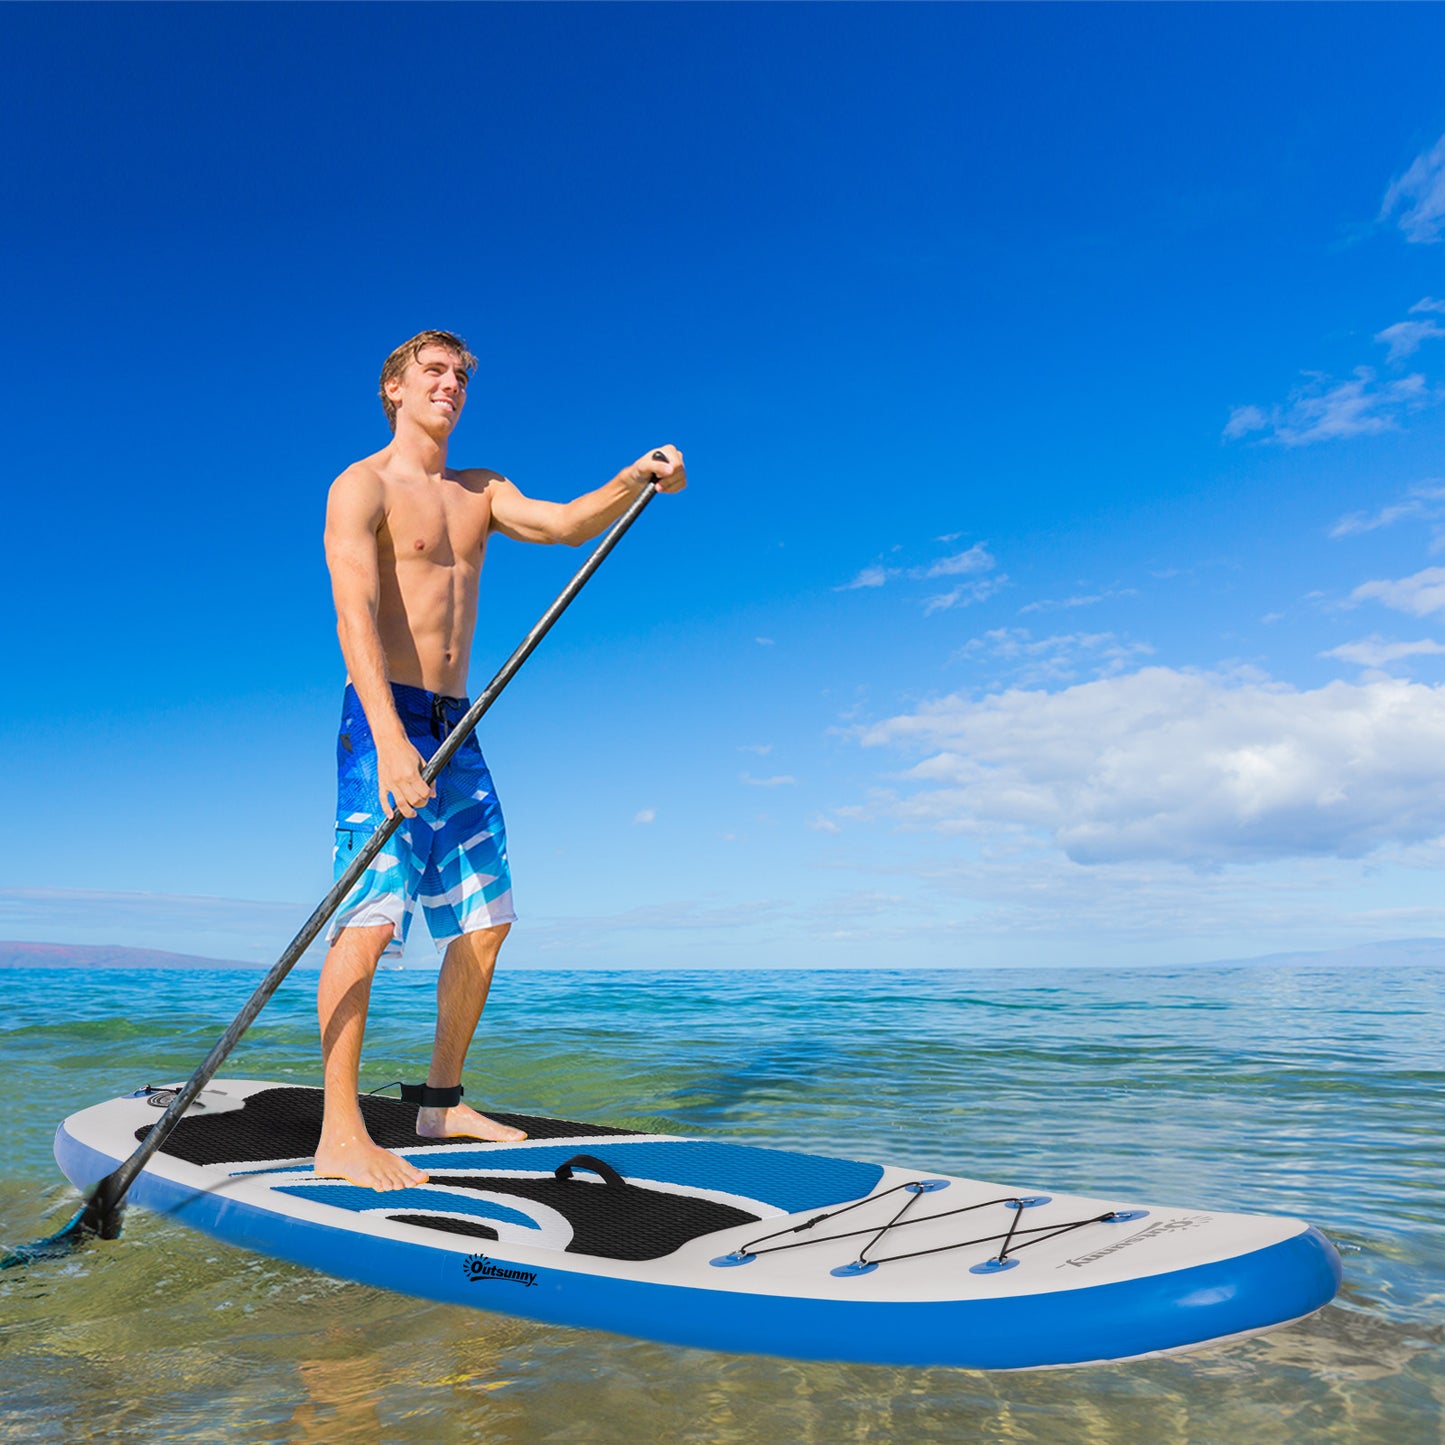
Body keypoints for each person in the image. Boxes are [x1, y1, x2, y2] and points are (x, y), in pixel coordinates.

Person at [316, 329, 685, 1190]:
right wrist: (393, 742)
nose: (448, 384)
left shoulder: (480, 489)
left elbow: (563, 526)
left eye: (458, 375)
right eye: (430, 372)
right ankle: (341, 1131)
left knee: (487, 920)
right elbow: (354, 621)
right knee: (370, 919)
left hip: (461, 719)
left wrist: (637, 475)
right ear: (392, 390)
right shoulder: (359, 486)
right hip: (386, 717)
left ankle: (440, 1101)